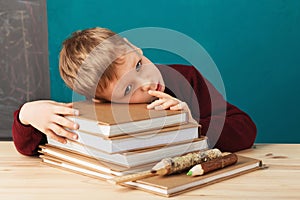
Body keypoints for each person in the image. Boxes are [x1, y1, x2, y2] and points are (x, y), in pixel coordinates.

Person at [12, 27, 257, 156]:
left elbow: (245, 128)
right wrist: (27, 114)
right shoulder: (98, 115)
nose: (146, 82)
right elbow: (29, 147)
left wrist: (192, 126)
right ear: (101, 99)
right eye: (128, 89)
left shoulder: (187, 79)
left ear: (133, 47)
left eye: (138, 65)